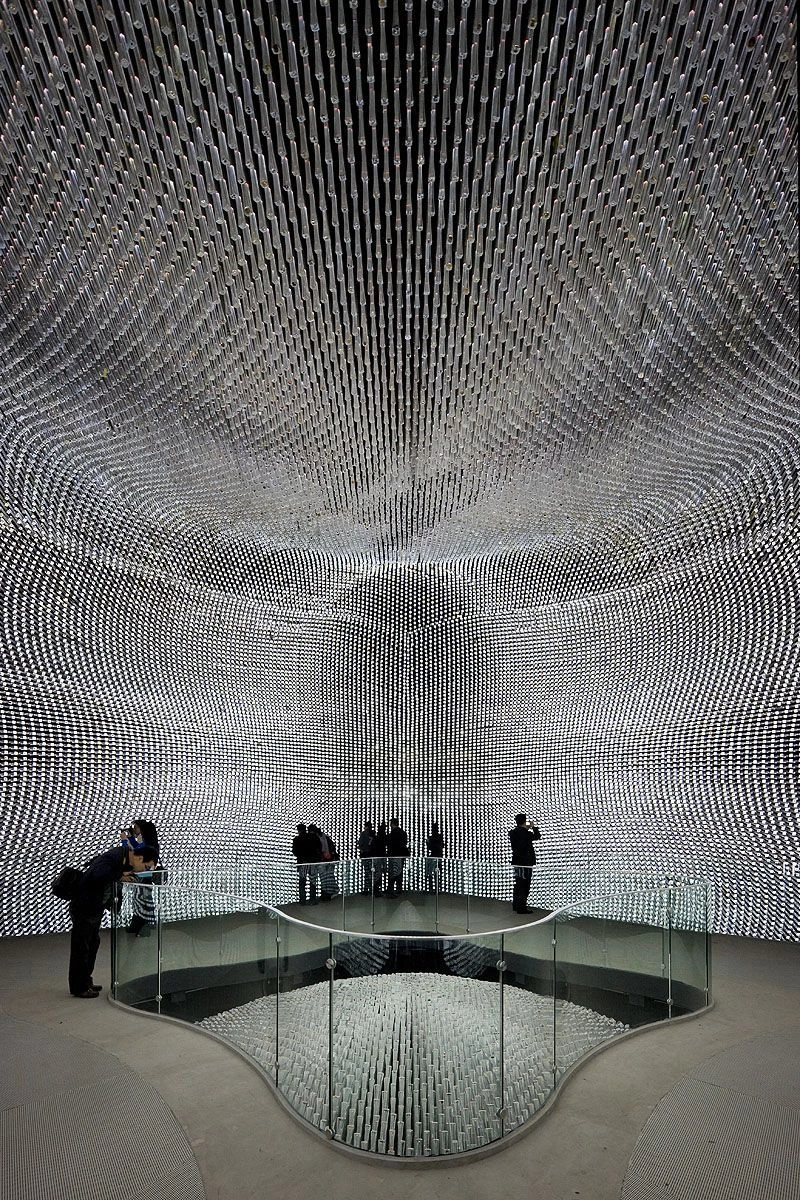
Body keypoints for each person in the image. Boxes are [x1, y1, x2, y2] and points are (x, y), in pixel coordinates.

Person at [68, 841, 158, 997]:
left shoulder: (122, 857)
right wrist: (119, 876)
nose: (145, 870)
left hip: (94, 907)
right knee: (82, 947)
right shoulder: (115, 856)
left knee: (92, 944)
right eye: (146, 866)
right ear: (139, 858)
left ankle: (86, 981)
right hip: (85, 906)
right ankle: (79, 987)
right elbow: (98, 874)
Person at [126, 818, 162, 937]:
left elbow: (135, 851)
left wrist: (127, 840)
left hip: (145, 876)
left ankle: (145, 927)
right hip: (143, 875)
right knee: (139, 900)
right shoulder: (148, 842)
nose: (134, 829)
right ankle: (137, 925)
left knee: (144, 900)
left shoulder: (148, 844)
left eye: (136, 827)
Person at [509, 813, 541, 914]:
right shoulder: (525, 833)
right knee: (525, 885)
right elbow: (537, 836)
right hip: (525, 863)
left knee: (518, 883)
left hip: (517, 862)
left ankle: (516, 905)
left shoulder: (513, 832)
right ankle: (521, 908)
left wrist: (526, 828)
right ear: (524, 821)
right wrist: (533, 827)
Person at [292, 823, 321, 905]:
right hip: (313, 863)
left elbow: (295, 852)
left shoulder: (297, 839)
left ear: (298, 830)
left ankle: (303, 901)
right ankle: (312, 900)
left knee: (302, 882)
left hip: (303, 863)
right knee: (313, 882)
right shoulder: (313, 837)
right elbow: (319, 848)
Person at [386, 817, 409, 896]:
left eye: (390, 823)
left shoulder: (393, 833)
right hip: (401, 855)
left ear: (392, 824)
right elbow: (404, 843)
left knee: (393, 872)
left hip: (394, 855)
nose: (389, 825)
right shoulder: (403, 832)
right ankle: (399, 889)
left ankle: (391, 890)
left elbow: (390, 844)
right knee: (399, 871)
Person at [316, 826, 340, 900]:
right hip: (329, 860)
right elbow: (332, 847)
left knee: (324, 878)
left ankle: (327, 893)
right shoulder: (326, 838)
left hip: (323, 861)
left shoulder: (318, 839)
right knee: (329, 877)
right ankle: (329, 893)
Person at [425, 822, 444, 892]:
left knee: (431, 873)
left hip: (433, 857)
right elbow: (442, 846)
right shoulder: (440, 837)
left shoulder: (431, 838)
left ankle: (432, 888)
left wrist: (428, 842)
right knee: (437, 873)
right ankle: (437, 888)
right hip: (438, 857)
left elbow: (430, 847)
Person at [357, 821, 375, 895]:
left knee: (367, 873)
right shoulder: (373, 833)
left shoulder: (363, 834)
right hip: (372, 856)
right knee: (371, 872)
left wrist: (361, 849)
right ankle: (371, 889)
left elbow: (360, 844)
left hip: (365, 855)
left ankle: (366, 889)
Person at [372, 821, 388, 896]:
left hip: (376, 856)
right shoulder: (383, 837)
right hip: (380, 856)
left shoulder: (376, 837)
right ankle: (376, 890)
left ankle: (376, 889)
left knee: (377, 873)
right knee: (378, 873)